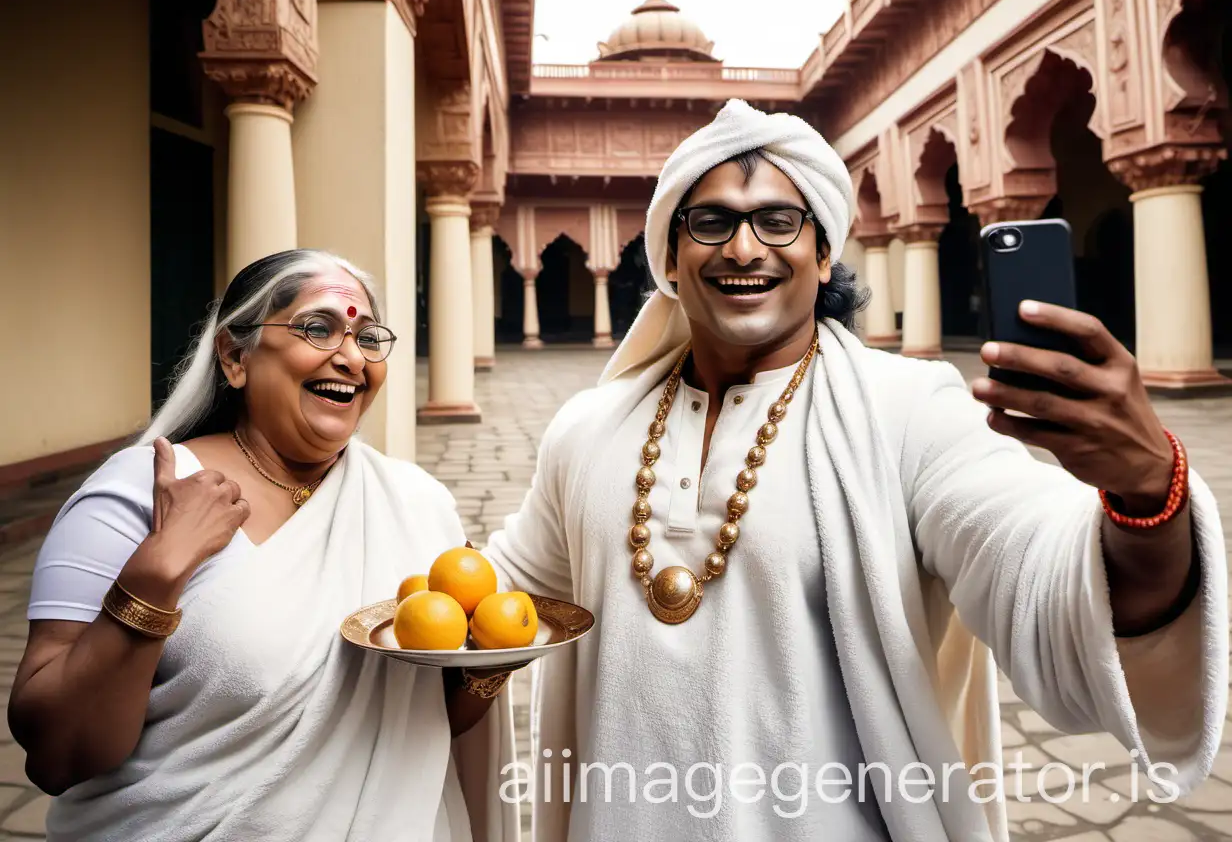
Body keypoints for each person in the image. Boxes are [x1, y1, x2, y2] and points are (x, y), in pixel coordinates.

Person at [481, 99, 1228, 841]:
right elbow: (492, 603)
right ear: (670, 256)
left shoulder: (907, 412)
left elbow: (1033, 569)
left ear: (824, 250)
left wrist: (1143, 497)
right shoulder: (587, 430)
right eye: (711, 222)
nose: (744, 248)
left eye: (778, 221)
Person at [9, 249, 521, 842]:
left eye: (368, 336)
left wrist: (488, 662)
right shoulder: (139, 495)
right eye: (319, 327)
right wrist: (155, 574)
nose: (352, 358)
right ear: (234, 356)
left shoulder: (415, 503)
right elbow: (55, 757)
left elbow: (425, 724)